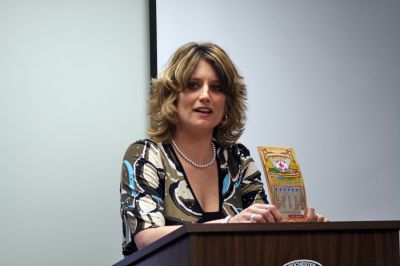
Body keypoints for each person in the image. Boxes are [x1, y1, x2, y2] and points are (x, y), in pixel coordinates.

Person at [120, 42, 328, 255]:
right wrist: (228, 223)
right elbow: (147, 238)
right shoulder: (145, 155)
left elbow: (262, 234)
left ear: (227, 101)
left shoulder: (238, 159)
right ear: (172, 95)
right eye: (193, 85)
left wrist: (300, 229)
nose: (206, 96)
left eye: (217, 87)